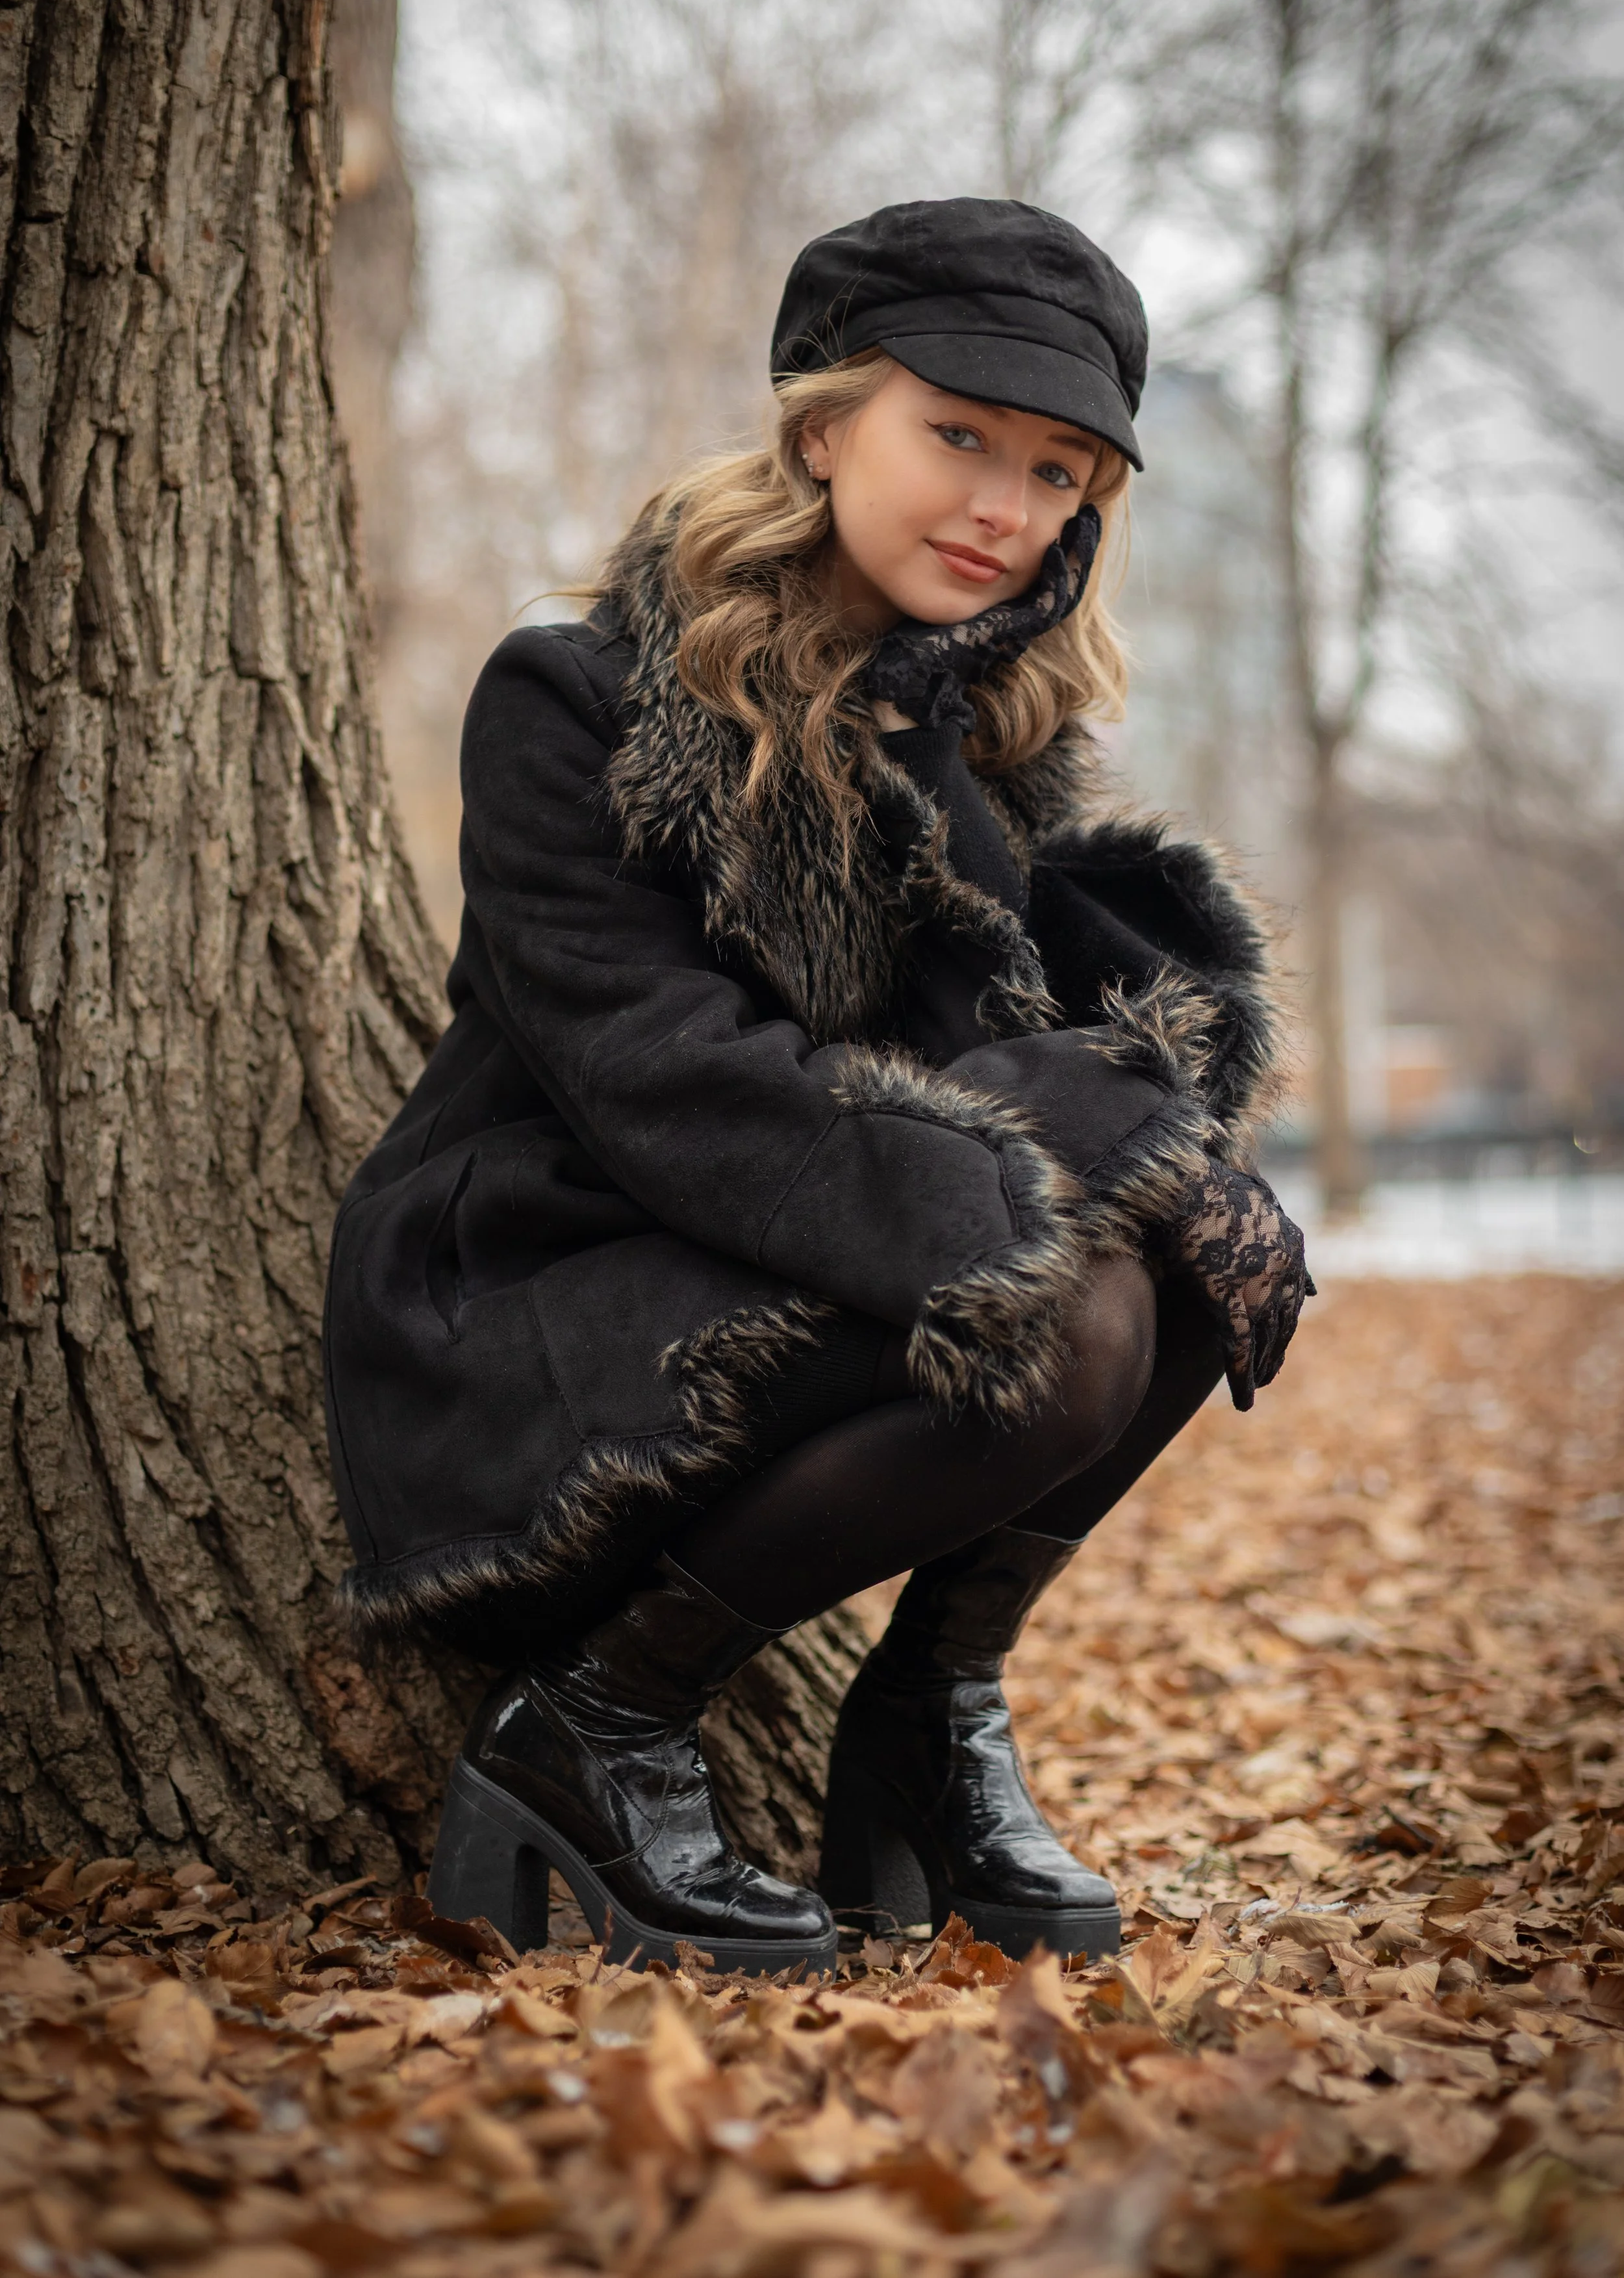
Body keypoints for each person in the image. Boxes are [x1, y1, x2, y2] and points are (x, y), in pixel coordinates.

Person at [323, 198, 1312, 1980]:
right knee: (1065, 1307)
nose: (1006, 507)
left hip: (777, 1260)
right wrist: (1109, 1152)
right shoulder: (577, 700)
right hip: (533, 1301)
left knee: (1197, 1250)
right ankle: (599, 1720)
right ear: (819, 424)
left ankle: (927, 1718)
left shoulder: (981, 736)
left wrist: (1165, 1150)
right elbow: (674, 1085)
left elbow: (1023, 1051)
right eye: (958, 435)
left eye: (1061, 471)